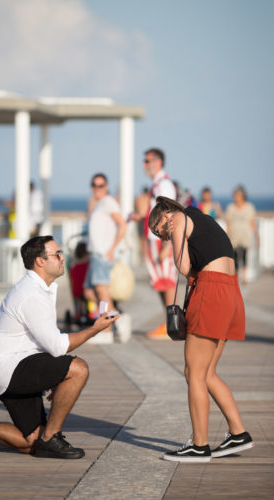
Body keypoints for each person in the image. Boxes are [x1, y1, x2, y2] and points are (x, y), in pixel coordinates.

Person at [0, 235, 119, 459]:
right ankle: (51, 438)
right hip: (12, 369)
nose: (63, 258)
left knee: (31, 442)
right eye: (57, 254)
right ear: (40, 261)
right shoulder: (31, 294)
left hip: (11, 367)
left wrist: (55, 377)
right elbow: (57, 346)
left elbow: (44, 342)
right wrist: (95, 329)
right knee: (78, 369)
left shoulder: (39, 289)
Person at [148, 196, 254, 462]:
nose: (162, 238)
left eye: (160, 232)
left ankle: (199, 445)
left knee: (193, 372)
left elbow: (183, 266)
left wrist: (174, 238)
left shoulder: (179, 218)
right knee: (206, 373)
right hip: (230, 290)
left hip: (211, 290)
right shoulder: (203, 219)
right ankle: (238, 433)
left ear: (165, 217)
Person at [133, 148, 177, 339]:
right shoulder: (157, 184)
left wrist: (167, 245)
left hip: (161, 240)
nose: (145, 164)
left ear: (158, 162)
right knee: (159, 282)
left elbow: (170, 213)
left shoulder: (164, 184)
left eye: (148, 160)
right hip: (154, 239)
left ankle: (173, 324)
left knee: (167, 280)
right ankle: (169, 322)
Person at [84, 173, 126, 343]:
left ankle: (106, 330)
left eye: (101, 185)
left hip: (103, 255)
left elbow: (122, 225)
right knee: (88, 291)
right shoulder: (98, 204)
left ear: (106, 187)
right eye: (94, 185)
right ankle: (118, 318)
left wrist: (112, 249)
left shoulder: (108, 202)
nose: (97, 188)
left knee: (102, 293)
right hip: (96, 255)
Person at [226, 185, 259, 284]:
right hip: (234, 236)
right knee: (234, 256)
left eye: (238, 195)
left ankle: (244, 276)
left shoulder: (249, 207)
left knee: (244, 256)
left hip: (244, 236)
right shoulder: (231, 207)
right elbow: (228, 224)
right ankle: (235, 276)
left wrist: (257, 236)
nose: (236, 197)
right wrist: (226, 237)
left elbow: (252, 223)